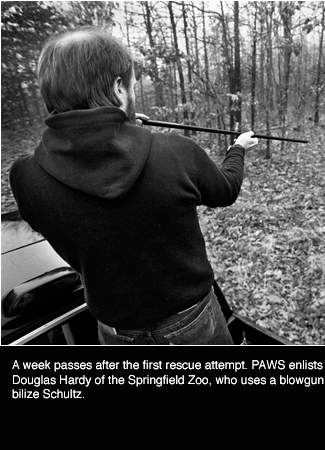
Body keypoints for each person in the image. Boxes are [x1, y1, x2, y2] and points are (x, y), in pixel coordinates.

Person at [9, 27, 258, 345]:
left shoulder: (25, 177)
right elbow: (226, 190)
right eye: (132, 85)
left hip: (114, 332)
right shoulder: (176, 153)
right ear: (118, 88)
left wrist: (122, 130)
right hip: (192, 325)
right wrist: (237, 149)